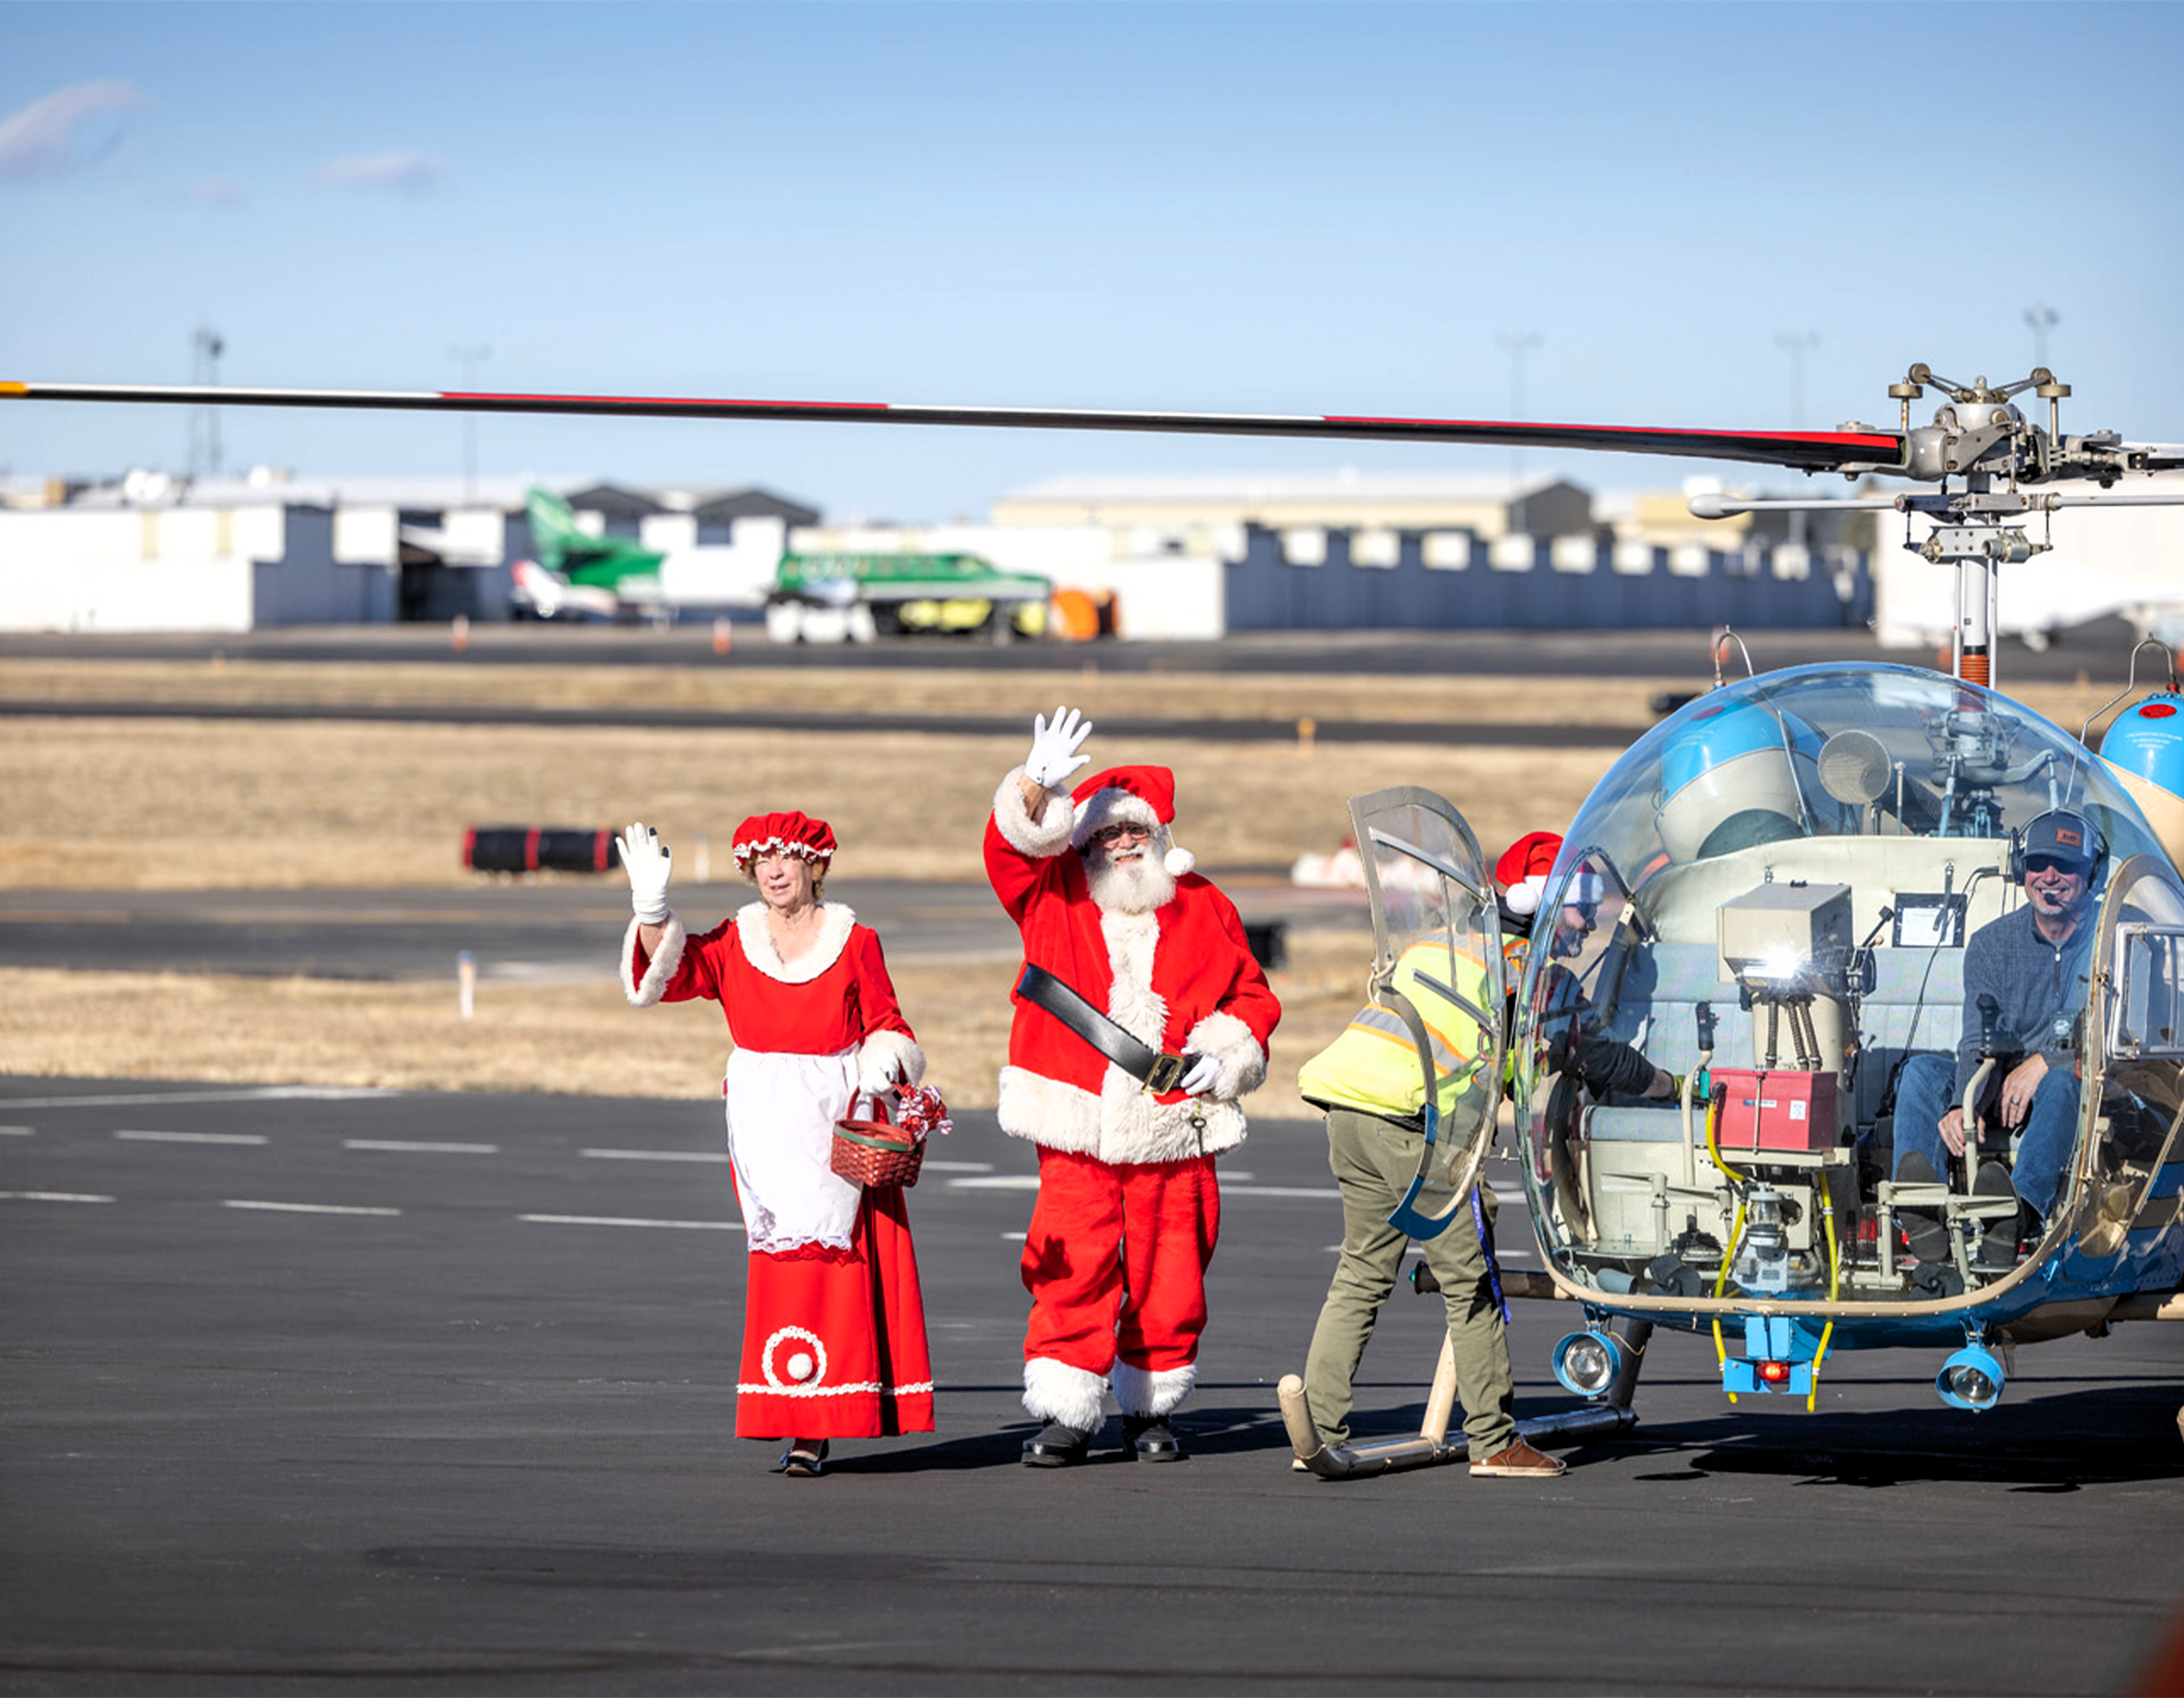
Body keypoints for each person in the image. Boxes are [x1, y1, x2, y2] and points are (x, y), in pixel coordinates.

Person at [986, 706, 1282, 1466]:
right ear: (1083, 841)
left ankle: (1150, 1405)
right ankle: (1067, 1410)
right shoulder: (1051, 894)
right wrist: (1033, 787)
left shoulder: (1205, 904)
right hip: (1077, 1117)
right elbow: (1007, 852)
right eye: (1106, 834)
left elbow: (1252, 996)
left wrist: (1229, 1051)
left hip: (1174, 1119)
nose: (1121, 844)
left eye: (1133, 831)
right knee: (1071, 1263)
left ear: (1158, 837)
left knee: (1173, 1270)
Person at [618, 810, 935, 1477]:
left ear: (815, 866)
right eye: (761, 861)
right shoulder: (736, 940)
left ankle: (824, 1422)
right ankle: (793, 1416)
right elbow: (669, 977)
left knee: (838, 1266)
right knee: (782, 1265)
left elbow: (888, 1021)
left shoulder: (856, 941)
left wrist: (886, 1059)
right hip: (765, 1125)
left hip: (835, 1124)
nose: (773, 871)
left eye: (786, 858)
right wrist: (651, 910)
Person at [1296, 924, 1567, 1478]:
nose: (1579, 926)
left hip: (1349, 1110)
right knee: (1471, 1284)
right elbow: (1531, 1065)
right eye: (1577, 914)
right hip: (1412, 1126)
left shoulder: (1441, 943)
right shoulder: (1523, 967)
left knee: (1360, 1274)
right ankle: (1493, 1440)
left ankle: (1317, 1431)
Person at [1891, 808, 2100, 1266]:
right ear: (2021, 871)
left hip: (2076, 1090)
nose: (2049, 876)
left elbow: (2117, 1026)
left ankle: (2017, 1218)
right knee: (1921, 1074)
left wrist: (2046, 1061)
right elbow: (1977, 1038)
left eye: (2065, 865)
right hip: (1999, 1082)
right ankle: (1919, 1213)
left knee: (2063, 1082)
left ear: (2091, 874)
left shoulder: (2112, 937)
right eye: (2038, 863)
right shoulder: (1991, 943)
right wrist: (1962, 1105)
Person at [1497, 831, 1679, 1106]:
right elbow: (1601, 1054)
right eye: (1584, 910)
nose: (1591, 925)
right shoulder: (1539, 975)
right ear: (1547, 906)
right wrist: (1669, 1086)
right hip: (1448, 1123)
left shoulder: (1461, 940)